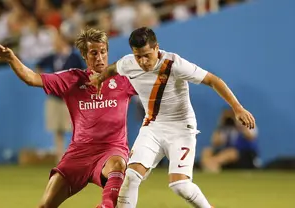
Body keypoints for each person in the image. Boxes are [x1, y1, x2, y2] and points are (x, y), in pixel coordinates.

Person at [88, 27, 255, 208]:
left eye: (146, 55)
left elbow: (213, 80)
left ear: (156, 48)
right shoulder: (128, 63)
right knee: (131, 176)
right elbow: (113, 68)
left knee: (180, 185)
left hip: (181, 128)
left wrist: (238, 108)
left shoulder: (174, 64)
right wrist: (100, 79)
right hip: (152, 126)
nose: (142, 61)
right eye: (138, 56)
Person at [0, 28, 137, 208]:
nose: (99, 57)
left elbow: (154, 89)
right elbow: (33, 79)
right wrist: (12, 59)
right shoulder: (72, 79)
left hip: (111, 150)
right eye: (93, 53)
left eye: (103, 52)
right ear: (84, 55)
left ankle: (105, 206)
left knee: (118, 164)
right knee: (45, 205)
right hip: (79, 154)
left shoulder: (123, 79)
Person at [36, 33, 85, 163]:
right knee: (57, 130)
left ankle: (76, 156)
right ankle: (60, 157)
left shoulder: (74, 57)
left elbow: (83, 75)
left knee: (75, 129)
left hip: (69, 98)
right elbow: (38, 65)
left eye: (56, 41)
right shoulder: (53, 57)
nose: (54, 43)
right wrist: (46, 81)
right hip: (54, 98)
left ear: (63, 41)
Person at [201, 108, 259, 173]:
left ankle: (211, 164)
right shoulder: (225, 128)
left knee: (231, 152)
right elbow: (215, 142)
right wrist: (221, 125)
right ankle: (211, 167)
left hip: (244, 154)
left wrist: (240, 124)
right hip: (226, 153)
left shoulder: (247, 123)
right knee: (207, 150)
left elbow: (251, 137)